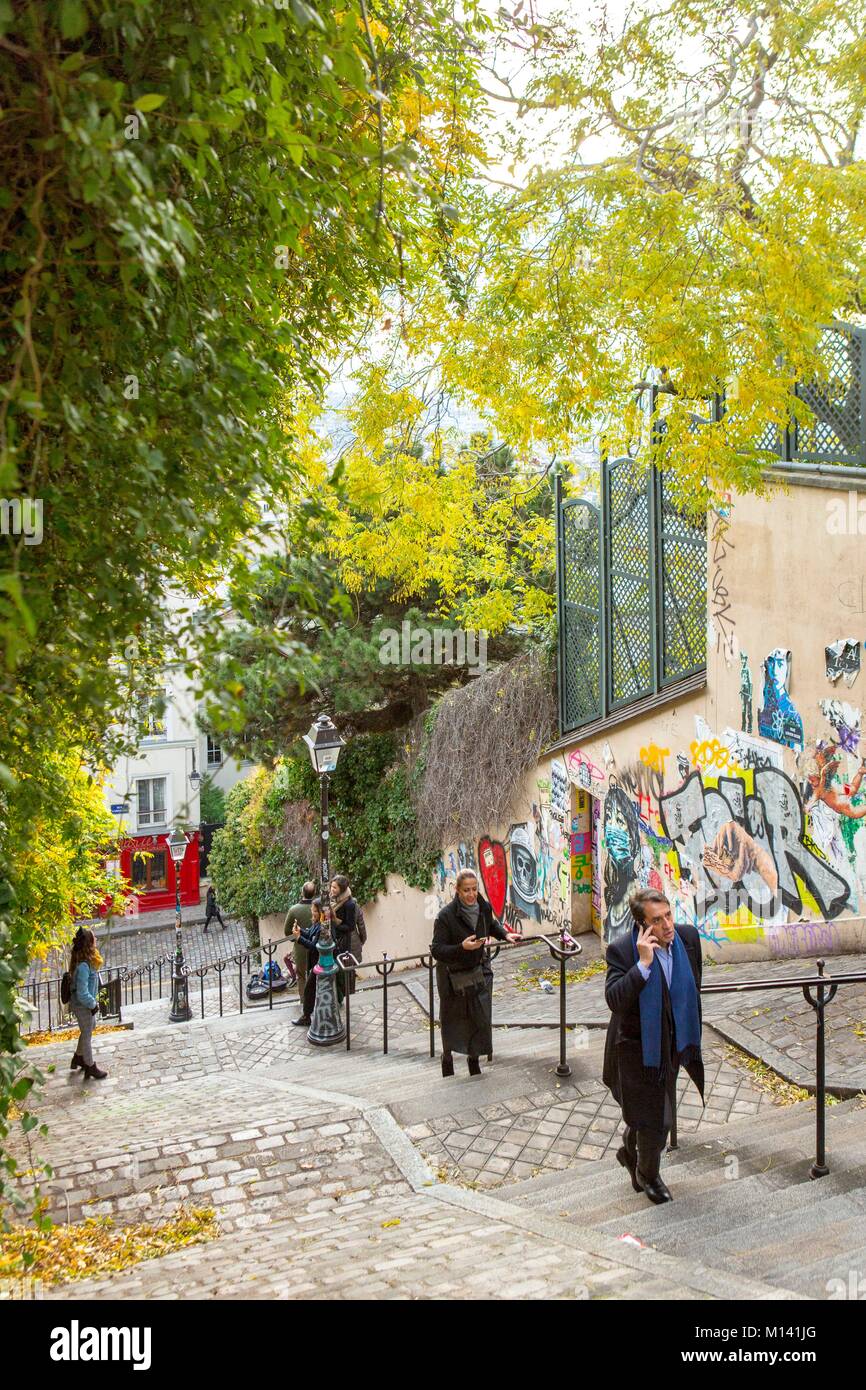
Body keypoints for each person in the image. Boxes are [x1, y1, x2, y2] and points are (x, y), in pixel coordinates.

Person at [603, 888, 703, 1204]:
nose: (667, 925)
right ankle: (648, 1175)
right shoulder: (623, 951)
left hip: (672, 1046)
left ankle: (630, 1147)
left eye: (668, 915)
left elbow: (692, 987)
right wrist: (644, 965)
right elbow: (614, 1000)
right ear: (642, 925)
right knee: (659, 1122)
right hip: (638, 1049)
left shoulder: (688, 938)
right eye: (657, 921)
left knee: (650, 1115)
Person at [431, 869, 521, 1078]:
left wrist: (505, 935)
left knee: (479, 1018)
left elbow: (490, 925)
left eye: (474, 889)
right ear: (457, 891)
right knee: (453, 1021)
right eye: (466, 890)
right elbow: (436, 949)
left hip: (477, 970)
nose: (471, 895)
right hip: (451, 976)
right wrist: (462, 947)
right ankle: (447, 1058)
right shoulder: (446, 916)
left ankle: (474, 1060)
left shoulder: (483, 907)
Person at [68, 927, 108, 1080]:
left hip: (83, 1005)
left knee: (88, 1029)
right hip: (82, 1006)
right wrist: (93, 1004)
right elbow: (82, 992)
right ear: (89, 943)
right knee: (87, 1035)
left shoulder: (84, 962)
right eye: (94, 938)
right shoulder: (84, 966)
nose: (96, 940)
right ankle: (90, 1066)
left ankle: (78, 1057)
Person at [290, 897, 324, 1027]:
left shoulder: (322, 926)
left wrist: (299, 938)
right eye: (312, 910)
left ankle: (306, 1016)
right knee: (311, 989)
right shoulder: (317, 924)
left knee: (309, 989)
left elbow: (313, 945)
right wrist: (301, 930)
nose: (312, 913)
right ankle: (308, 1015)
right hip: (316, 963)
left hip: (319, 964)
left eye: (315, 911)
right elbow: (310, 933)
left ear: (321, 912)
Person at [284, 881, 317, 1007]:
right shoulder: (318, 907)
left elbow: (287, 931)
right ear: (314, 893)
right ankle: (315, 1000)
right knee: (316, 975)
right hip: (316, 946)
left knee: (302, 976)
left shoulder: (294, 910)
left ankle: (305, 1002)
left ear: (302, 892)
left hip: (301, 948)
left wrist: (296, 938)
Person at [330, 875, 362, 1001]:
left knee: (347, 973)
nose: (332, 890)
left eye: (335, 887)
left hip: (346, 943)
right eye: (331, 886)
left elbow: (349, 926)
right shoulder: (333, 900)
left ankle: (349, 1000)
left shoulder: (349, 904)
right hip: (337, 940)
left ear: (342, 889)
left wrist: (333, 921)